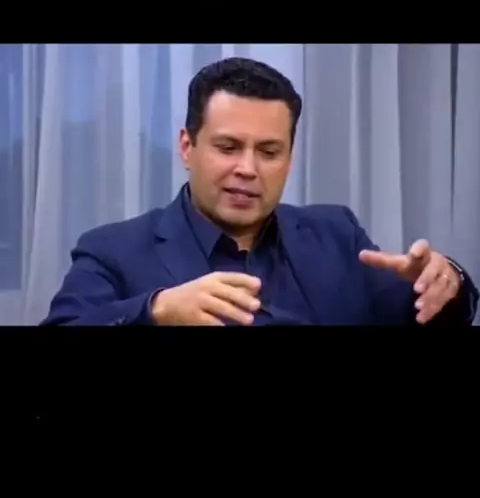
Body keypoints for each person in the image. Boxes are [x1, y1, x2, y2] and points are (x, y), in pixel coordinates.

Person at [43, 57, 478, 326]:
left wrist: (448, 281)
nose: (248, 169)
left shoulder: (336, 234)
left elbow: (424, 315)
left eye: (269, 152)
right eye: (228, 147)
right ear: (187, 147)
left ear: (289, 157)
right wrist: (155, 312)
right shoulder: (114, 251)